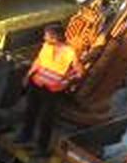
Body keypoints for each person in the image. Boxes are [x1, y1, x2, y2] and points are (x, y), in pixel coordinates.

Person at [16, 23, 84, 152]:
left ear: (55, 37)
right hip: (36, 84)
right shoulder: (46, 46)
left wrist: (67, 81)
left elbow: (79, 72)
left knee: (46, 119)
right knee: (30, 111)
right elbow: (38, 61)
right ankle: (25, 136)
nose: (44, 38)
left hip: (52, 90)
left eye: (46, 36)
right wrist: (28, 75)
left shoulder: (70, 52)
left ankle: (41, 147)